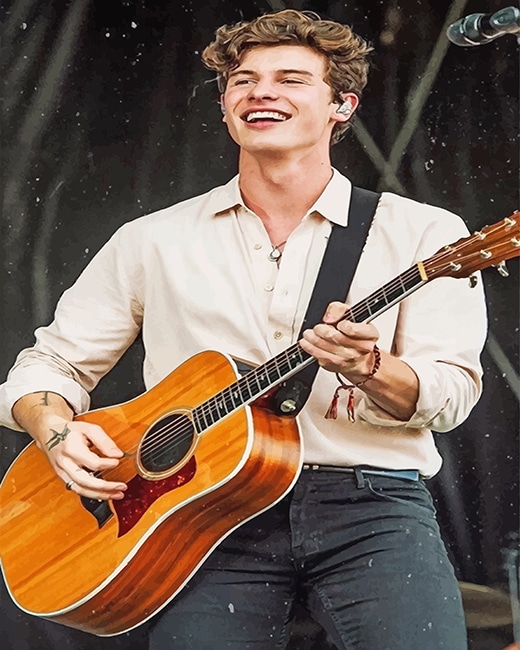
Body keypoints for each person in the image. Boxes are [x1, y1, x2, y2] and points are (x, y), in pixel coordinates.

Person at [0, 9, 488, 650]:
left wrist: (367, 368)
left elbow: (450, 396)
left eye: (291, 79)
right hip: (201, 513)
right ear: (226, 108)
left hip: (369, 502)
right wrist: (55, 430)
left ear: (342, 106)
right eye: (243, 81)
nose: (261, 92)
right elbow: (51, 365)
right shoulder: (153, 240)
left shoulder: (425, 234)